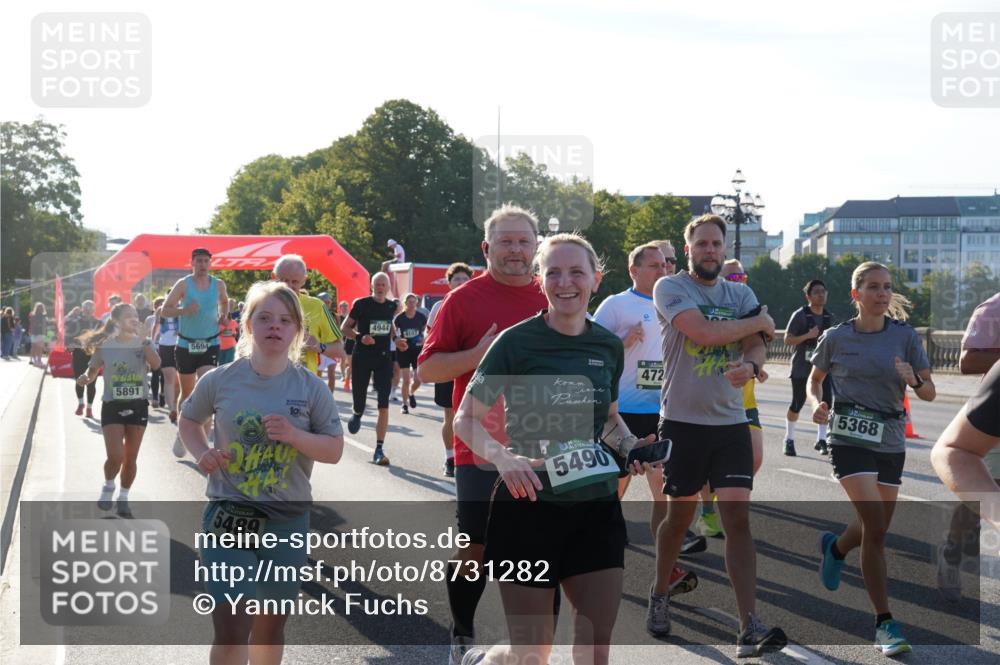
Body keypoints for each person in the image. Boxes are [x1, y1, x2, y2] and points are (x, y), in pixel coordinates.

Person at [456, 233, 655, 665]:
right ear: (540, 281)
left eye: (577, 271)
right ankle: (485, 660)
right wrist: (505, 459)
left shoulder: (606, 346)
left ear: (595, 280)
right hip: (529, 508)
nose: (566, 282)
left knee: (595, 649)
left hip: (595, 508)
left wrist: (632, 446)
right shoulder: (514, 343)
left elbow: (608, 420)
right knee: (531, 655)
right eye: (554, 272)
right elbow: (465, 419)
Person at [178, 280, 344, 665]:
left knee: (270, 628)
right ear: (248, 324)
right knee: (233, 627)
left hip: (287, 520)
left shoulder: (311, 387)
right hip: (229, 515)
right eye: (265, 318)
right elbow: (189, 421)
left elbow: (334, 450)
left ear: (297, 330)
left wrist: (294, 435)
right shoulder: (220, 380)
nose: (275, 326)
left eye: (285, 320)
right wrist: (202, 452)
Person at [647, 215, 786, 658]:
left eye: (716, 244)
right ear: (688, 249)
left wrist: (752, 362)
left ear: (724, 249)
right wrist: (758, 324)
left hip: (730, 423)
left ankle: (749, 625)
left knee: (738, 520)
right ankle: (659, 591)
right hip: (684, 423)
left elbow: (760, 343)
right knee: (679, 518)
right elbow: (703, 332)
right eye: (701, 243)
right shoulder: (671, 288)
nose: (710, 250)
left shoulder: (740, 292)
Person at [417, 205, 549, 664]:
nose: (515, 250)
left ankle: (535, 651)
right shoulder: (463, 300)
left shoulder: (556, 295)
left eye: (523, 241)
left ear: (536, 247)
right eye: (506, 241)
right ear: (486, 247)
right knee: (477, 547)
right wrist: (481, 352)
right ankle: (463, 634)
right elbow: (427, 370)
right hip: (480, 444)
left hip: (543, 446)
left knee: (542, 549)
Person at [810, 261, 935, 656]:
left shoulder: (905, 337)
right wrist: (819, 404)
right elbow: (815, 380)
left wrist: (913, 379)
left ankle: (836, 548)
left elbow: (929, 391)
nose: (882, 294)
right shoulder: (836, 337)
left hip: (891, 438)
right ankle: (885, 623)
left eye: (887, 287)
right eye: (874, 287)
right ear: (856, 294)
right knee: (876, 525)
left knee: (873, 528)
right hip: (848, 436)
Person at [593, 242, 707, 565]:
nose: (664, 269)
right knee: (618, 481)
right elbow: (591, 351)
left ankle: (670, 546)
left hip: (662, 410)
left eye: (667, 263)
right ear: (634, 270)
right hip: (622, 412)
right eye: (655, 265)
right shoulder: (616, 306)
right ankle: (605, 530)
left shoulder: (675, 305)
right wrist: (621, 342)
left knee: (663, 484)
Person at [694, 259, 769, 539]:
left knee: (756, 458)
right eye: (733, 275)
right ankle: (707, 511)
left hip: (744, 399)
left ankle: (721, 497)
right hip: (713, 397)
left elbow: (760, 344)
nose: (739, 279)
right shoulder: (710, 311)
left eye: (742, 275)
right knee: (707, 466)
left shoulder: (750, 307)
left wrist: (756, 367)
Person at [934, 290, 1000, 601]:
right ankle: (952, 552)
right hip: (992, 416)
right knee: (985, 488)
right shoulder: (993, 307)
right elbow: (967, 360)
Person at [76, 302, 161, 516]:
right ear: (116, 321)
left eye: (135, 315)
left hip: (138, 405)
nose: (134, 318)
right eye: (128, 316)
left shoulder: (144, 342)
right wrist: (87, 378)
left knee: (131, 458)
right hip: (112, 405)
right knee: (115, 456)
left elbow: (157, 364)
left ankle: (123, 496)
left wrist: (144, 342)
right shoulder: (106, 345)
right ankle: (108, 486)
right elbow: (93, 368)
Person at [162, 248, 230, 456]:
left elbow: (225, 302)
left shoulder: (218, 284)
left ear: (210, 263)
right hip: (185, 345)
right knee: (188, 393)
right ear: (192, 263)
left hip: (210, 343)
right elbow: (165, 310)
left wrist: (224, 316)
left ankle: (202, 446)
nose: (202, 264)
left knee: (207, 390)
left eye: (206, 261)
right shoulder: (183, 284)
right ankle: (182, 433)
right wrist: (184, 311)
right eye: (199, 261)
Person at [342, 272, 407, 465]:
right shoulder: (361, 304)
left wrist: (396, 339)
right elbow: (345, 328)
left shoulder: (390, 306)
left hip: (383, 359)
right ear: (372, 286)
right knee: (360, 398)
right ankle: (357, 412)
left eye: (383, 284)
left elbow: (390, 326)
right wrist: (360, 337)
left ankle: (379, 448)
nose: (380, 287)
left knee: (383, 405)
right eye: (377, 284)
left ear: (388, 287)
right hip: (362, 357)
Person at [427, 263, 474, 477]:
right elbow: (430, 339)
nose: (461, 283)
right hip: (447, 367)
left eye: (465, 279)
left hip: (472, 368)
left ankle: (471, 457)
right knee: (450, 415)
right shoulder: (439, 307)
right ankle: (450, 457)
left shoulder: (477, 304)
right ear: (449, 283)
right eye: (457, 279)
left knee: (475, 416)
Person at [783, 279, 835, 456]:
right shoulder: (800, 315)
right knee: (797, 403)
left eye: (823, 291)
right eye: (816, 292)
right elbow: (787, 339)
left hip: (823, 369)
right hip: (801, 368)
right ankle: (789, 439)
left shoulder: (829, 317)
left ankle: (821, 440)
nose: (821, 294)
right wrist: (808, 335)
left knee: (825, 403)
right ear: (808, 296)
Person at [272, 255, 345, 377]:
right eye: (284, 280)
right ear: (273, 277)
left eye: (294, 281)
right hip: (268, 378)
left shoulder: (316, 306)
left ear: (304, 280)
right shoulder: (261, 302)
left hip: (303, 380)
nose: (289, 286)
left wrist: (319, 346)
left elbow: (340, 349)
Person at [66, 300, 101, 417]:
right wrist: (69, 346)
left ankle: (89, 408)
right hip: (79, 355)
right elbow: (68, 339)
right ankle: (81, 403)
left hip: (94, 355)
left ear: (94, 310)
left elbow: (104, 338)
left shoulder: (99, 323)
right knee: (79, 380)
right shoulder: (75, 323)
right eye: (86, 308)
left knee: (91, 383)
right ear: (82, 310)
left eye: (90, 308)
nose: (88, 310)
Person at [394, 293, 427, 414]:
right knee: (406, 380)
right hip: (404, 350)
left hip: (417, 351)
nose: (412, 304)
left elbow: (427, 330)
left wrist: (424, 339)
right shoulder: (399, 318)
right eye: (410, 302)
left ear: (417, 303)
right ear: (405, 303)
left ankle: (411, 393)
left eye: (414, 302)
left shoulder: (421, 317)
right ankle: (404, 404)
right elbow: (394, 334)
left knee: (418, 380)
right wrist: (397, 341)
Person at [152, 297, 181, 423]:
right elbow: (156, 326)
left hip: (180, 346)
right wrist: (152, 342)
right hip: (166, 346)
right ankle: (172, 410)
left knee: (177, 382)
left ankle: (175, 407)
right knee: (169, 379)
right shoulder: (160, 310)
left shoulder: (181, 310)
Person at [144, 298, 166, 408]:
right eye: (157, 304)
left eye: (162, 304)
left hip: (166, 347)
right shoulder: (150, 319)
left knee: (164, 373)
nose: (160, 306)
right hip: (154, 347)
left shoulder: (170, 317)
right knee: (156, 373)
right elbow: (147, 333)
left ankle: (162, 393)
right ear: (154, 306)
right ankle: (155, 397)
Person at [217, 299, 240, 366]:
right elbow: (214, 334)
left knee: (229, 365)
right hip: (220, 347)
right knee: (221, 365)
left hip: (231, 347)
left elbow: (237, 333)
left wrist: (234, 334)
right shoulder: (217, 323)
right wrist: (221, 332)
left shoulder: (234, 322)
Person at [337, 300, 353, 389]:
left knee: (349, 360)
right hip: (341, 340)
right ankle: (343, 375)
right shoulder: (338, 317)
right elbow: (337, 329)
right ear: (340, 308)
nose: (344, 308)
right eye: (342, 306)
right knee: (343, 359)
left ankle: (348, 375)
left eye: (346, 306)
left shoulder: (350, 317)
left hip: (349, 340)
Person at [29, 302, 47, 367]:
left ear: (42, 308)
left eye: (41, 307)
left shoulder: (44, 315)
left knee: (40, 347)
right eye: (38, 307)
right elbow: (31, 324)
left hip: (41, 333)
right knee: (34, 347)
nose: (40, 308)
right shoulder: (33, 315)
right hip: (34, 333)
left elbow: (45, 325)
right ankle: (33, 359)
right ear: (36, 308)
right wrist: (30, 331)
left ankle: (39, 359)